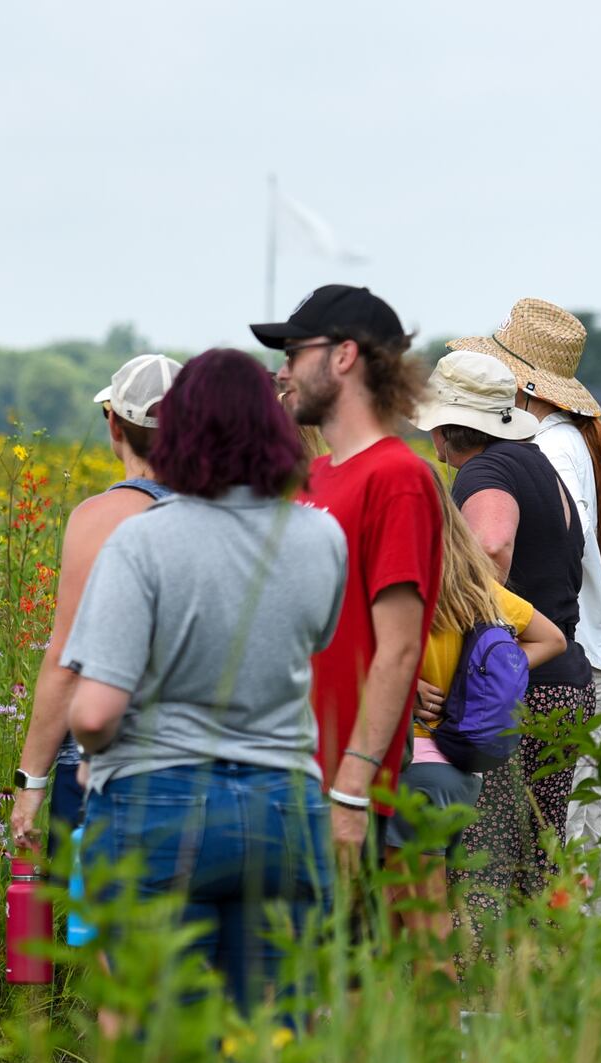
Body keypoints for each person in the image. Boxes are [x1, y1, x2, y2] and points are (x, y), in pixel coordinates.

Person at [64, 348, 346, 1012]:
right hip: (284, 805)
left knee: (161, 1044)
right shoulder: (320, 537)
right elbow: (317, 642)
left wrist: (86, 746)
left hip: (156, 805)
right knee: (275, 1040)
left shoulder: (140, 542)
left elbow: (97, 714)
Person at [250, 286, 442, 873]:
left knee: (330, 960)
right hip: (279, 773)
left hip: (334, 786)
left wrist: (353, 787)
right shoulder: (313, 475)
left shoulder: (397, 477)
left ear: (343, 356)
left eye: (292, 352)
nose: (282, 371)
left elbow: (400, 646)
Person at [395, 359, 567, 969]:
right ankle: (455, 1016)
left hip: (407, 763)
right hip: (461, 770)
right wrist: (481, 681)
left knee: (402, 916)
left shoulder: (401, 586)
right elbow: (551, 639)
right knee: (440, 901)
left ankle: (420, 1027)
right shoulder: (477, 588)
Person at [448, 300, 601, 857]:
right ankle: (587, 940)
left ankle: (576, 943)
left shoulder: (543, 446)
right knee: (567, 838)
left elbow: (513, 548)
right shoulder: (567, 439)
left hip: (574, 654)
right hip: (589, 652)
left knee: (556, 849)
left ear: (523, 382)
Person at [422, 350, 593, 910]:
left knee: (485, 862)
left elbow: (492, 546)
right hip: (562, 678)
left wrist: (472, 659)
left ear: (448, 428)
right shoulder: (536, 462)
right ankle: (541, 987)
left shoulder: (484, 471)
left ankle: (483, 988)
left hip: (515, 690)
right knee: (537, 863)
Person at [9, 354, 182, 856]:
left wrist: (31, 784)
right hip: (208, 767)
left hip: (110, 766)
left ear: (114, 423)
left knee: (106, 926)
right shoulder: (224, 513)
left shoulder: (100, 518)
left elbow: (67, 660)